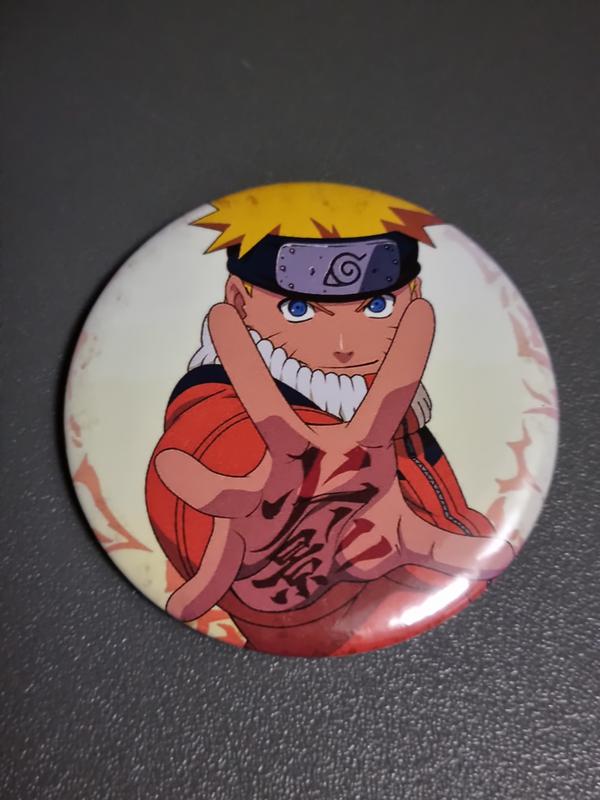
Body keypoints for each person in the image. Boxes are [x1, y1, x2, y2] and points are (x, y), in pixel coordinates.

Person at [145, 184, 512, 656]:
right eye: (297, 310)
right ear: (238, 300)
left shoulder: (386, 407)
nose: (344, 344)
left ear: (414, 295)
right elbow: (214, 465)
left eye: (377, 307)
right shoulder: (227, 411)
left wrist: (459, 550)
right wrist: (280, 572)